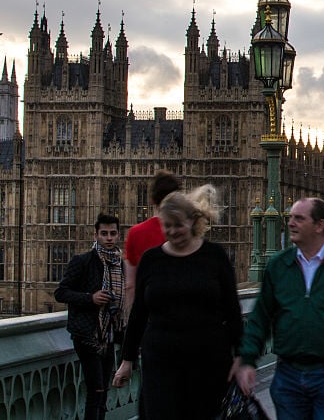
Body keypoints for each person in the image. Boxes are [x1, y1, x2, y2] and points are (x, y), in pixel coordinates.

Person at [234, 197, 324, 418]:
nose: (290, 223)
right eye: (290, 217)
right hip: (288, 372)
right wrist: (247, 360)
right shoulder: (279, 265)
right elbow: (261, 317)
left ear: (319, 225)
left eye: (298, 218)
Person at [112, 186, 242, 419]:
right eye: (167, 225)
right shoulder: (152, 259)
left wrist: (242, 357)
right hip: (161, 361)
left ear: (192, 221)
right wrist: (127, 360)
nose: (172, 231)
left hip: (208, 362)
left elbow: (232, 311)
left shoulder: (214, 256)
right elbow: (139, 313)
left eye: (178, 225)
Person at [55, 213, 126, 420]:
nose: (109, 238)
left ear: (118, 235)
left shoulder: (119, 264)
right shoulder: (83, 261)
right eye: (104, 234)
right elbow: (61, 292)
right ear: (95, 235)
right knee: (96, 391)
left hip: (108, 335)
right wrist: (90, 298)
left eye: (113, 233)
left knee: (103, 391)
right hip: (87, 335)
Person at [123, 169, 180, 313]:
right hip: (180, 314)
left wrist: (131, 320)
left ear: (153, 200)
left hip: (148, 316)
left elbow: (130, 285)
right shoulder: (185, 232)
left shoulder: (135, 233)